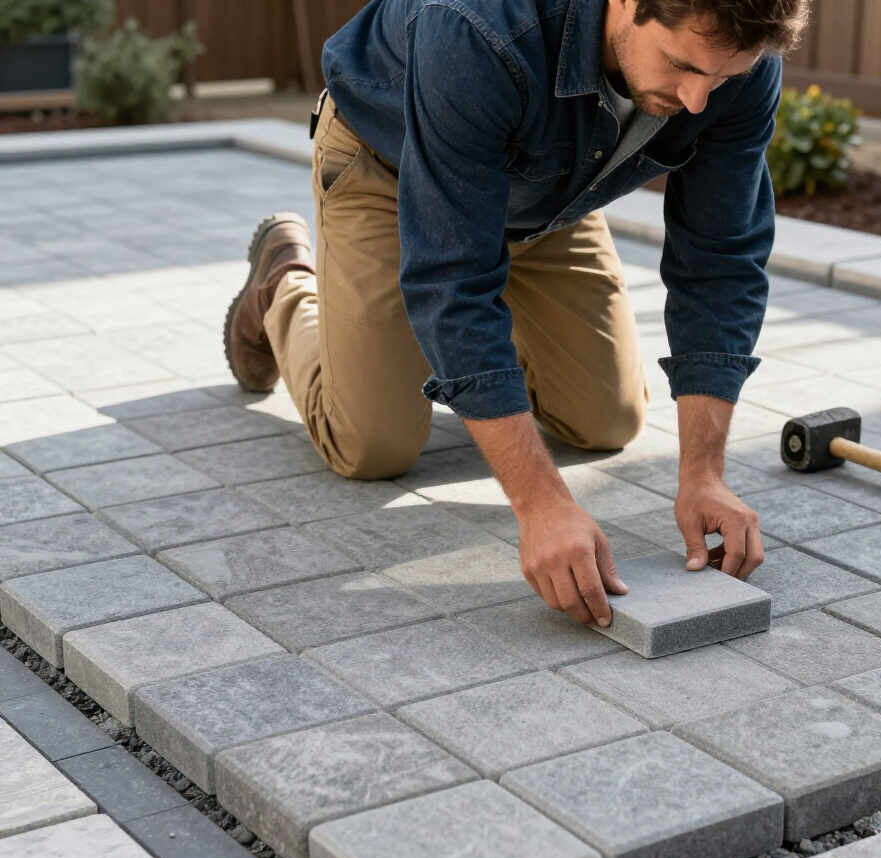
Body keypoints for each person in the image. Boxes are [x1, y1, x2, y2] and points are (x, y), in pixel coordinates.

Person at [224, 0, 806, 629]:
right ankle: (285, 285)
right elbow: (452, 276)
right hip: (397, 171)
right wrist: (540, 503)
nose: (698, 99)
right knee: (372, 445)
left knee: (606, 420)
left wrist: (704, 472)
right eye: (680, 65)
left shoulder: (738, 60)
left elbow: (720, 256)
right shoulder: (474, 26)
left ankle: (488, 360)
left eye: (720, 79)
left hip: (553, 187)